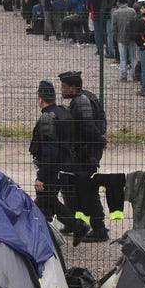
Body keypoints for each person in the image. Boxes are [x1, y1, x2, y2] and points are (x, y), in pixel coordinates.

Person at [29, 80, 88, 241]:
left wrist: (41, 176)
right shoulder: (63, 112)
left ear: (41, 99)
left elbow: (49, 151)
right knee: (45, 202)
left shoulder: (48, 118)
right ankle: (45, 232)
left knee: (46, 199)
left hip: (52, 169)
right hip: (64, 166)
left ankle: (77, 226)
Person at [58, 71, 108, 243]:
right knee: (71, 187)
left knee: (88, 191)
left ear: (73, 88)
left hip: (85, 156)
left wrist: (100, 141)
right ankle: (73, 222)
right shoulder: (86, 98)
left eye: (64, 87)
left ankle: (99, 229)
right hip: (82, 154)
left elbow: (88, 127)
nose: (62, 90)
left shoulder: (81, 103)